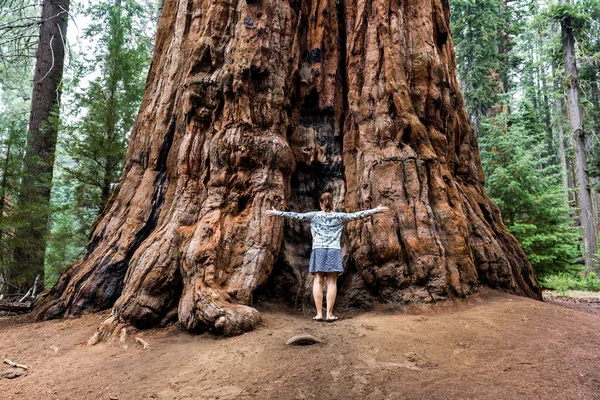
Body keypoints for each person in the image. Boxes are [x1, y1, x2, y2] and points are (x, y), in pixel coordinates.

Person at [266, 193, 388, 322]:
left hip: (318, 250)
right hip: (333, 251)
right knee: (331, 283)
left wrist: (277, 213)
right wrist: (376, 210)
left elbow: (295, 216)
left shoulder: (314, 216)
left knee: (318, 282)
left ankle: (319, 314)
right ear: (332, 203)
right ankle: (329, 314)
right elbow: (358, 215)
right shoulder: (339, 217)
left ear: (320, 203)